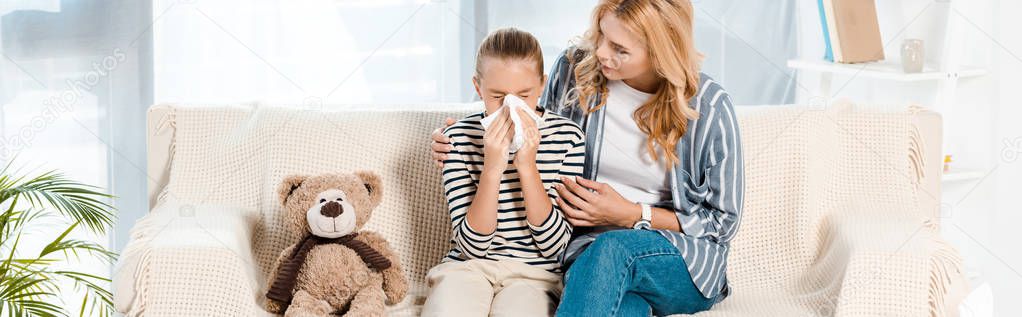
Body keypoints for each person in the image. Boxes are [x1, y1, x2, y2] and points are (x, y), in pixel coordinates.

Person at [430, 0, 744, 315]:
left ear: (660, 52)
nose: (602, 53)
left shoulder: (709, 106)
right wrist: (469, 131)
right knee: (622, 303)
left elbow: (722, 222)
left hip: (680, 258)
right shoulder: (573, 70)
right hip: (588, 258)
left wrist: (632, 214)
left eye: (620, 49)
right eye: (601, 36)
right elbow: (535, 127)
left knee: (613, 246)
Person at [420, 27, 586, 317]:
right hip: (466, 268)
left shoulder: (568, 137)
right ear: (477, 87)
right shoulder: (456, 139)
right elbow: (473, 247)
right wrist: (492, 168)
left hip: (535, 275)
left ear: (543, 85)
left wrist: (527, 167)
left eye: (524, 95)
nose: (512, 109)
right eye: (498, 96)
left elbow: (554, 246)